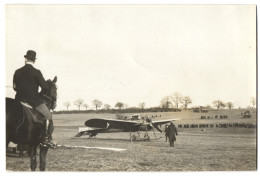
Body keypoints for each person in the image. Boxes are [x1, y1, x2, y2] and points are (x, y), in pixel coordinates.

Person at [13, 50, 55, 148]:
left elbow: (15, 87)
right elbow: (45, 87)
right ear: (34, 60)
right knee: (48, 115)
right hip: (32, 101)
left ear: (26, 59)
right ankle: (46, 138)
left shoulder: (17, 71)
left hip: (18, 100)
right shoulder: (36, 72)